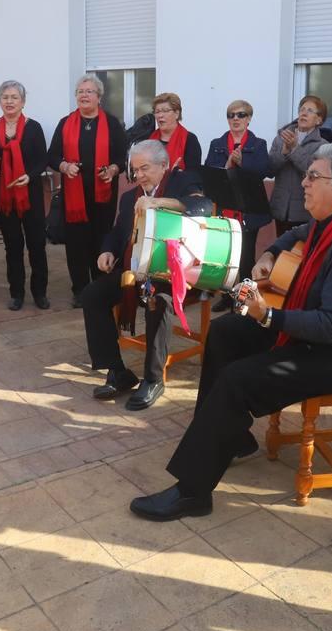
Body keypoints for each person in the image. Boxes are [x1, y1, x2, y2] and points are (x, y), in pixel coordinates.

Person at [128, 143, 332, 520]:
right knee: (225, 333)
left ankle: (193, 491)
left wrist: (268, 316)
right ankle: (227, 438)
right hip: (317, 332)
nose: (304, 182)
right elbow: (301, 231)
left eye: (313, 176)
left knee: (238, 380)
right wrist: (273, 251)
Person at [80, 140, 207, 411]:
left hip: (173, 274)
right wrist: (107, 251)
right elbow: (117, 233)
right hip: (135, 270)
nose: (138, 175)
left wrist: (157, 202)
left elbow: (202, 208)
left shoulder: (182, 183)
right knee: (93, 295)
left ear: (163, 165)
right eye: (135, 169)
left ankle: (153, 379)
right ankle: (117, 371)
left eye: (144, 168)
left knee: (157, 300)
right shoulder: (130, 197)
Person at [48, 74, 128, 307]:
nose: (84, 95)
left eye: (89, 91)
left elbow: (123, 157)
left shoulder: (112, 123)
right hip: (73, 197)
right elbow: (52, 156)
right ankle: (80, 290)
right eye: (80, 91)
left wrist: (113, 169)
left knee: (100, 241)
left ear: (99, 97)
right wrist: (64, 166)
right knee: (75, 245)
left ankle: (100, 287)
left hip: (103, 196)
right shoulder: (65, 123)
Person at [0, 79, 50, 311]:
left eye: (14, 97)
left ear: (23, 102)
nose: (9, 101)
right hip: (4, 196)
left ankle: (39, 293)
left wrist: (30, 176)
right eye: (5, 97)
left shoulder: (33, 127)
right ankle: (16, 293)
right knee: (12, 246)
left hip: (30, 194)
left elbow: (43, 160)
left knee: (37, 245)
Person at [205, 99, 270, 311]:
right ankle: (226, 296)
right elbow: (210, 171)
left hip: (248, 209)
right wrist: (227, 165)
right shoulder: (217, 143)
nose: (235, 118)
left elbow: (263, 171)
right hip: (225, 207)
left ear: (249, 118)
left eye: (240, 115)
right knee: (225, 256)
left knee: (245, 257)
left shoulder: (258, 144)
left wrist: (242, 163)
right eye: (231, 115)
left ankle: (243, 299)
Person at [268, 94, 327, 235]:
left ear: (319, 120)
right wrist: (283, 152)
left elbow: (312, 173)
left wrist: (294, 150)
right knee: (281, 252)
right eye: (302, 109)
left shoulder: (322, 145)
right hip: (280, 207)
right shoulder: (280, 138)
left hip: (304, 210)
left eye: (310, 111)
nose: (304, 113)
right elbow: (269, 170)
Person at [148, 92, 202, 172]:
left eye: (165, 111)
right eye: (157, 112)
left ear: (177, 113)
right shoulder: (150, 138)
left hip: (179, 183)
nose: (160, 115)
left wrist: (175, 175)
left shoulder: (189, 139)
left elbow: (193, 175)